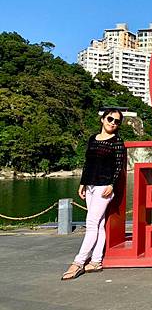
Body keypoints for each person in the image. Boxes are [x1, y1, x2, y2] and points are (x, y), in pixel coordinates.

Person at [61, 109, 126, 280]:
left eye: (117, 121)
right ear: (103, 119)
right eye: (110, 119)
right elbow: (88, 163)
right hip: (90, 184)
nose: (112, 123)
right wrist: (83, 183)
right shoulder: (93, 139)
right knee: (99, 223)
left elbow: (118, 166)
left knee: (91, 223)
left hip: (104, 186)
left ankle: (78, 262)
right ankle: (96, 260)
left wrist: (112, 184)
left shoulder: (117, 141)